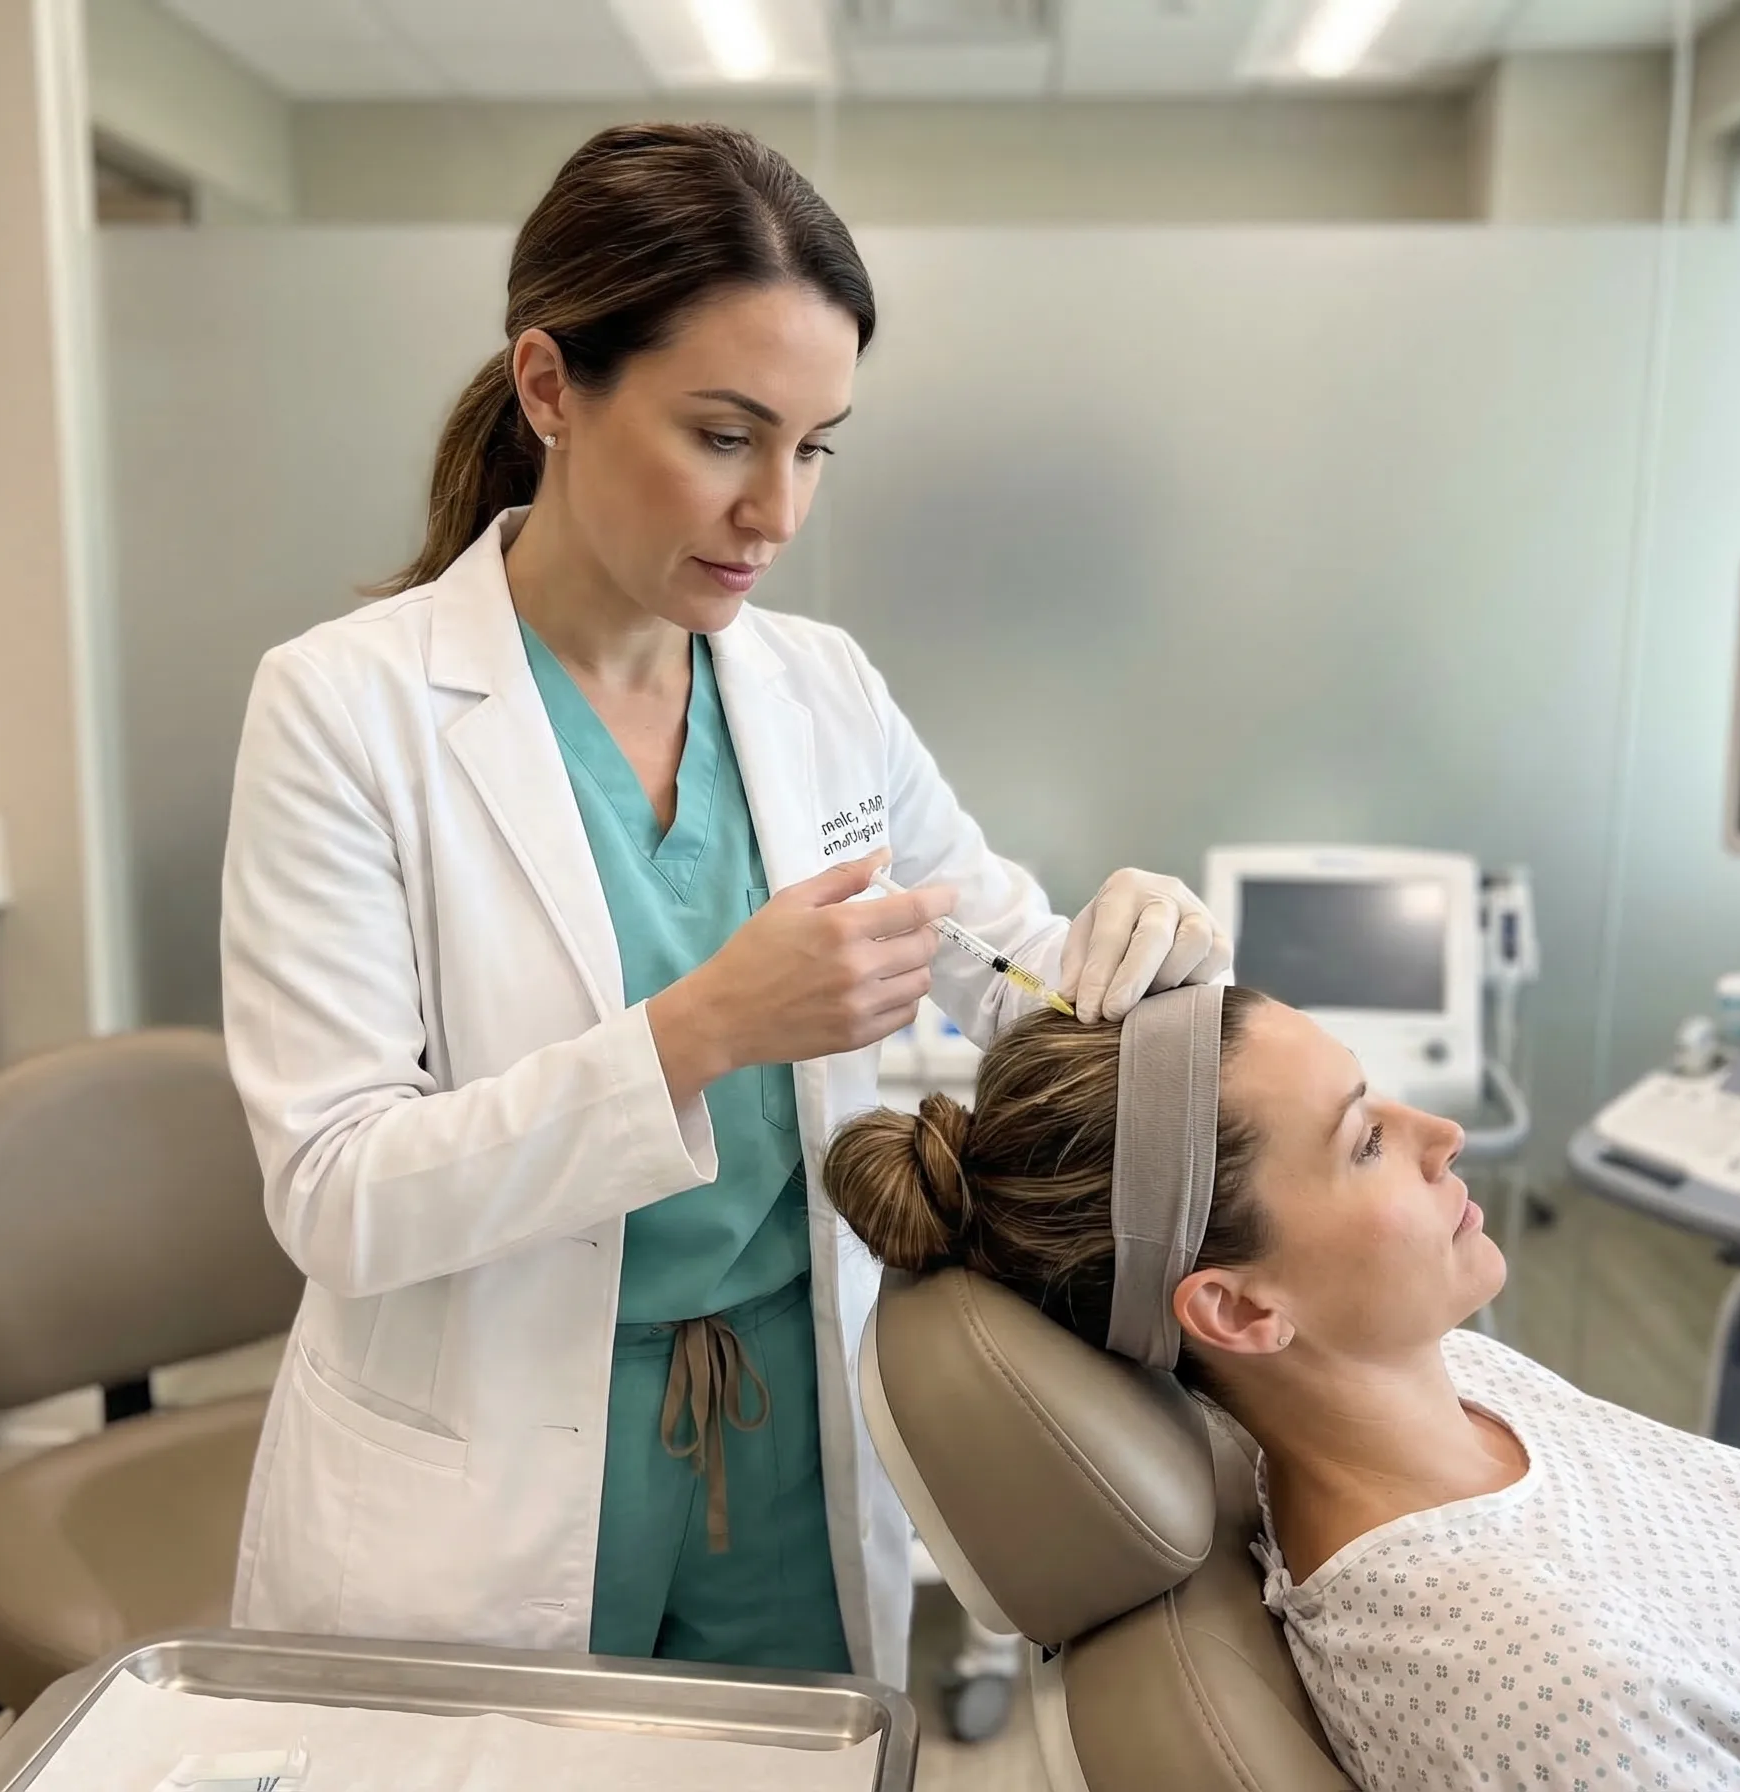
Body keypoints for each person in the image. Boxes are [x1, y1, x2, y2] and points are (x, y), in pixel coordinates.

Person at [216, 121, 1230, 1684]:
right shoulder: (347, 710)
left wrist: (1142, 943)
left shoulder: (820, 688)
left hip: (785, 1439)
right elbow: (338, 1192)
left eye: (815, 447)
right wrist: (700, 1031)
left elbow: (1006, 964)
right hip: (483, 1458)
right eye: (724, 436)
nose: (779, 512)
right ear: (550, 387)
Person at [822, 989, 1740, 1786]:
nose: (1442, 1135)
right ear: (1242, 1311)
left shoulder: (1458, 1377)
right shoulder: (1537, 1686)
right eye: (1364, 1139)